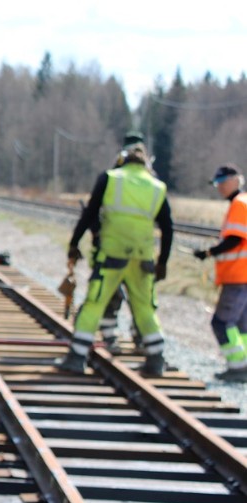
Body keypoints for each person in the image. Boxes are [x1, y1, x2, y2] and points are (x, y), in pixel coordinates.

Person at [59, 141, 173, 376]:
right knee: (144, 307)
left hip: (112, 253)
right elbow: (168, 228)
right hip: (142, 257)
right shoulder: (157, 186)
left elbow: (90, 213)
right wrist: (163, 262)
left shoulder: (110, 178)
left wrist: (74, 243)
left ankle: (77, 356)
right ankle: (156, 360)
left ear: (124, 160)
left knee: (95, 302)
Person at [92, 131, 148, 353]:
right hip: (139, 248)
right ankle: (139, 339)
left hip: (114, 245)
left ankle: (113, 336)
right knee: (138, 298)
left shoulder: (115, 173)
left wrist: (96, 235)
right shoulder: (145, 175)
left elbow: (95, 209)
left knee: (112, 294)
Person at [193, 164, 247, 381]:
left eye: (222, 182)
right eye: (217, 184)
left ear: (235, 180)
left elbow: (235, 239)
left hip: (238, 276)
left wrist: (208, 252)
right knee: (242, 326)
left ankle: (238, 367)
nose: (219, 187)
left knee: (222, 323)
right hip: (242, 277)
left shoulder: (239, 204)